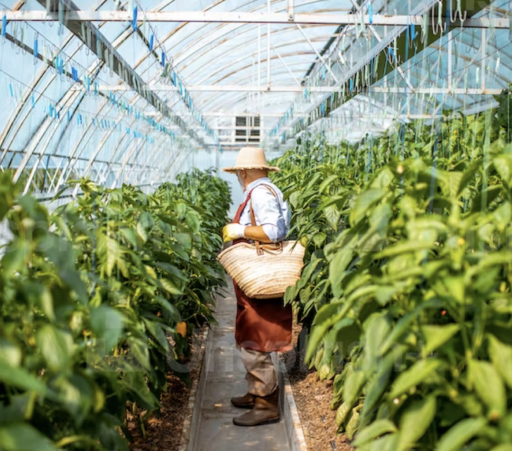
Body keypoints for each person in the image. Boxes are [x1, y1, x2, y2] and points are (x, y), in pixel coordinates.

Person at [222, 147, 292, 427]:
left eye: (240, 172)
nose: (240, 177)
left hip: (260, 278)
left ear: (245, 172)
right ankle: (255, 391)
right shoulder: (264, 191)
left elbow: (273, 231)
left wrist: (239, 231)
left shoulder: (261, 193)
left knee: (255, 338)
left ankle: (266, 404)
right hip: (255, 277)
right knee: (248, 333)